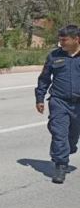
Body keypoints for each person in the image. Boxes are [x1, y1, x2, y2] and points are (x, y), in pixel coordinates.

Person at [35, 24, 80, 184]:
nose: (61, 43)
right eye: (60, 39)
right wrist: (40, 98)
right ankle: (61, 165)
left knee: (72, 137)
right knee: (59, 133)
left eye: (64, 40)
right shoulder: (54, 56)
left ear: (76, 39)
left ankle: (69, 148)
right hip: (59, 101)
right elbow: (44, 78)